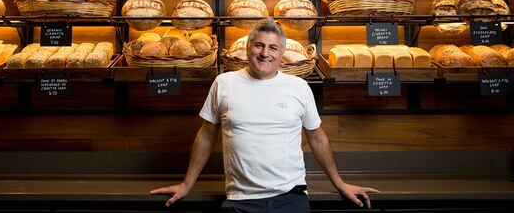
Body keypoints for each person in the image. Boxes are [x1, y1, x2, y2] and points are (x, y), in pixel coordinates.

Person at [150, 18, 379, 211]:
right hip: (240, 200)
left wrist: (340, 183)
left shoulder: (297, 86)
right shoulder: (224, 83)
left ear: (281, 53)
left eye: (272, 48)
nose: (264, 53)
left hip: (291, 198)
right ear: (248, 48)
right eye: (259, 45)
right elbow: (206, 136)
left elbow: (318, 138)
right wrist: (186, 184)